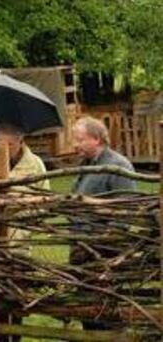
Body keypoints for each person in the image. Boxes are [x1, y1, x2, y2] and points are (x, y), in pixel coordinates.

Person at [0, 124, 50, 342]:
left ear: (20, 141)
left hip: (19, 244)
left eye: (8, 143)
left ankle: (15, 337)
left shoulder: (35, 164)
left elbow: (45, 204)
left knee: (16, 299)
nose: (3, 147)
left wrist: (20, 207)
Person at [71, 116, 135, 331]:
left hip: (102, 255)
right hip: (81, 252)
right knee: (87, 313)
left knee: (106, 314)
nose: (75, 144)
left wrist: (100, 250)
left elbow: (125, 215)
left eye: (79, 139)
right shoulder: (85, 166)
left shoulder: (118, 166)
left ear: (96, 139)